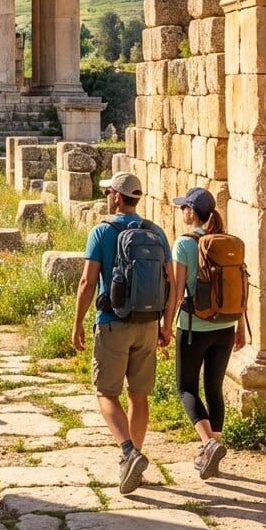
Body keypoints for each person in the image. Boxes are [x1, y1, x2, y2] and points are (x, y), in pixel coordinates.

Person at [71, 171, 171, 496]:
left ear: (116, 197)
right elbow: (169, 282)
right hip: (147, 324)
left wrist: (77, 323)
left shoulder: (102, 231)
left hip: (112, 322)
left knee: (106, 393)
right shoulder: (156, 232)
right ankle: (133, 462)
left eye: (108, 193)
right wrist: (165, 324)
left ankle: (128, 452)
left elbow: (87, 282)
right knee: (138, 396)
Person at [162, 187, 245, 480]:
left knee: (185, 387)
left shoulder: (184, 243)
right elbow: (238, 289)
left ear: (192, 212)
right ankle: (213, 453)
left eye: (183, 207)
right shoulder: (228, 242)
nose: (181, 212)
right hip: (226, 327)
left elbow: (176, 291)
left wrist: (166, 325)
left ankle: (209, 444)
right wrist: (240, 328)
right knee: (214, 389)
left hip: (194, 327)